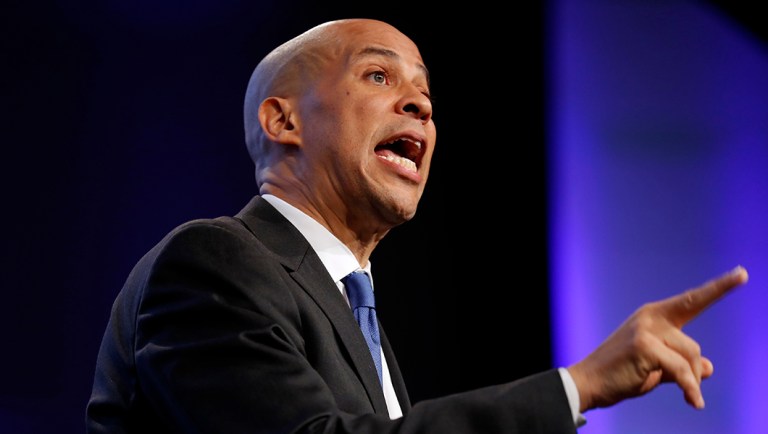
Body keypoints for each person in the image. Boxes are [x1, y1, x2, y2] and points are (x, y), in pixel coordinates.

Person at [85, 17, 750, 433]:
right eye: (378, 74)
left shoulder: (351, 304)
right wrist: (580, 386)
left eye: (426, 93)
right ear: (284, 121)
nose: (421, 106)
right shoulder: (214, 264)